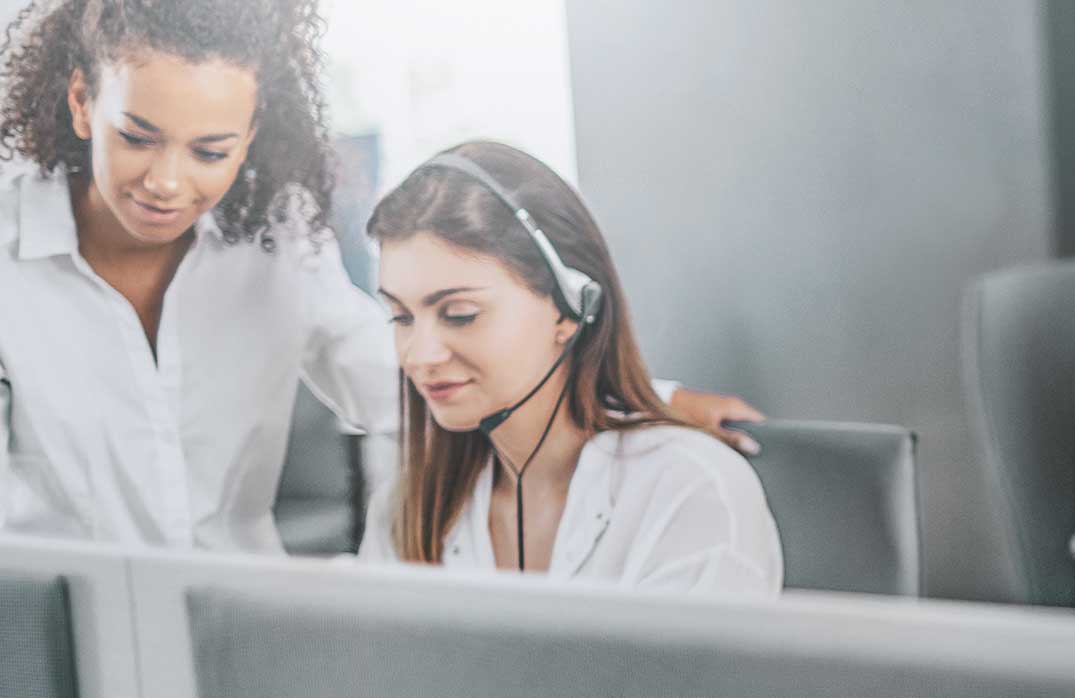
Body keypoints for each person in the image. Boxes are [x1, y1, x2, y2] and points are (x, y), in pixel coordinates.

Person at [0, 0, 763, 554]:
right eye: (138, 137)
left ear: (252, 135)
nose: (167, 182)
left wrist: (640, 400)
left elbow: (390, 377)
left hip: (231, 631)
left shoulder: (276, 236)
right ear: (80, 101)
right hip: (50, 640)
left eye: (210, 151)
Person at [358, 141, 781, 596]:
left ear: (570, 307)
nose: (420, 356)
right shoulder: (406, 510)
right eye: (401, 317)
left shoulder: (693, 493)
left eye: (460, 314)